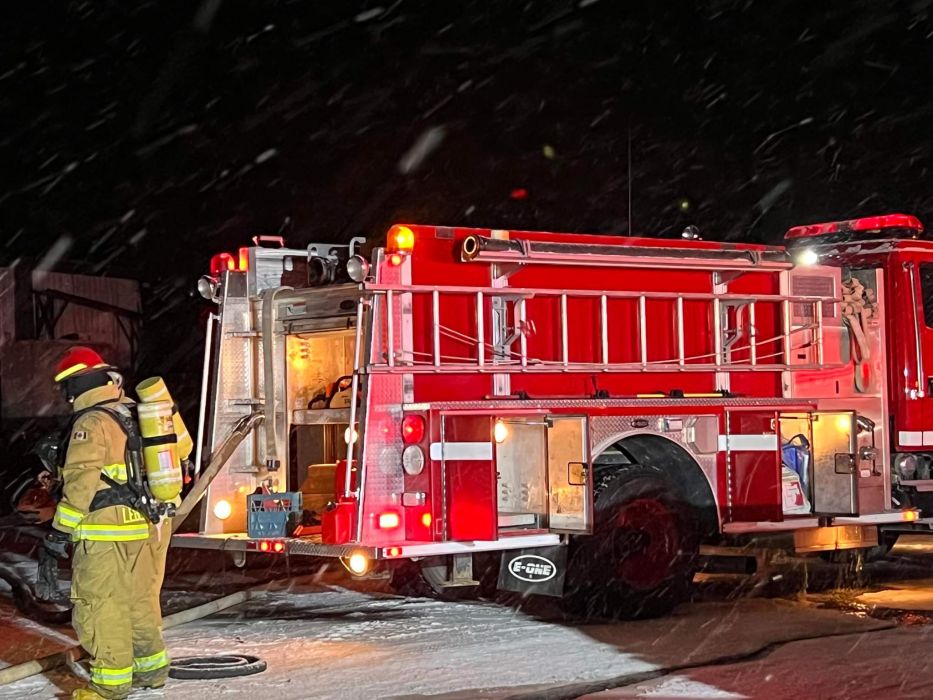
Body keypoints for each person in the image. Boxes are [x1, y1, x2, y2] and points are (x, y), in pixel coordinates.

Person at [47, 346, 171, 700]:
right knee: (139, 600)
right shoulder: (137, 412)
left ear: (78, 385)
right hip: (145, 525)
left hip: (104, 530)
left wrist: (59, 532)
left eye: (67, 387)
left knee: (100, 604)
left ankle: (109, 687)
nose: (67, 396)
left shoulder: (91, 422)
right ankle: (152, 670)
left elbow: (82, 484)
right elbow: (182, 449)